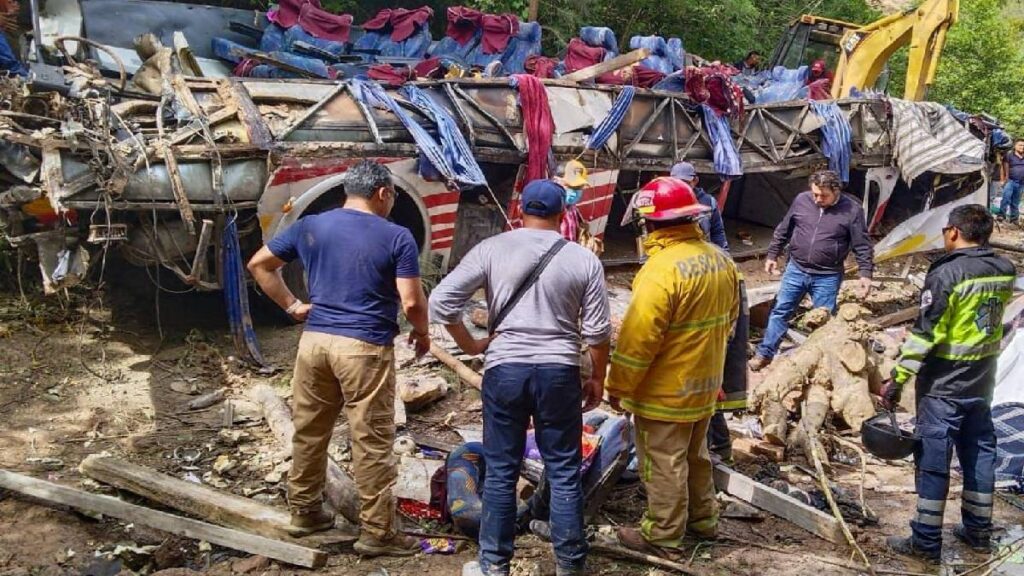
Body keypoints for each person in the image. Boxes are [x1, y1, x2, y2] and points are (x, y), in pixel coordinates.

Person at [429, 179, 612, 576]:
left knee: (500, 469)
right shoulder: (583, 259)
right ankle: (570, 565)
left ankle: (494, 565)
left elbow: (441, 301)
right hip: (559, 372)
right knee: (563, 471)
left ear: (520, 211)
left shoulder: (492, 248)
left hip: (505, 370)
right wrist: (597, 377)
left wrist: (473, 344)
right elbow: (598, 332)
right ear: (563, 214)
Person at [247, 160, 429, 556]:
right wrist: (423, 332)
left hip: (314, 344)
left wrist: (293, 305)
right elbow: (412, 300)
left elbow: (259, 265)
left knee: (310, 431)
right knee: (372, 440)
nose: (392, 202)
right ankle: (378, 533)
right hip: (363, 347)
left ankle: (305, 512)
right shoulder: (397, 236)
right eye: (393, 196)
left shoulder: (310, 225)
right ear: (383, 193)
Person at [607, 177, 739, 555]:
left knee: (663, 463)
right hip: (703, 386)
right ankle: (703, 520)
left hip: (665, 392)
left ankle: (662, 535)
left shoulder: (661, 271)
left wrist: (619, 387)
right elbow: (728, 324)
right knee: (696, 456)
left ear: (649, 222)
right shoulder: (720, 259)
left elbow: (637, 342)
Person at [882, 204, 1015, 561]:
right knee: (979, 455)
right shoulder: (1004, 269)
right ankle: (978, 533)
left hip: (944, 385)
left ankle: (925, 543)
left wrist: (896, 380)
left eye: (944, 231)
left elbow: (925, 334)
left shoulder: (947, 274)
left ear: (954, 232)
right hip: (982, 381)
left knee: (934, 461)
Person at [749, 170, 874, 372]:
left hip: (828, 276)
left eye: (823, 195)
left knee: (823, 321)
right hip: (796, 269)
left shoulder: (852, 210)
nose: (817, 199)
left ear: (836, 191)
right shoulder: (802, 200)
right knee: (780, 311)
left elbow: (862, 244)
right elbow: (784, 228)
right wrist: (773, 255)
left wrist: (866, 274)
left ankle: (819, 365)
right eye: (815, 194)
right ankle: (764, 354)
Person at [669, 162, 748, 463]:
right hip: (699, 308)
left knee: (707, 386)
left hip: (704, 314)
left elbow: (720, 240)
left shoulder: (707, 204)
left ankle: (716, 445)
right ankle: (710, 445)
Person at [996, 138, 1024, 224]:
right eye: (1020, 145)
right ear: (1015, 146)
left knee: (1016, 201)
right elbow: (1003, 168)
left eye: (1023, 145)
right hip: (1010, 181)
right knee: (1006, 198)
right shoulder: (1009, 155)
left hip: (1021, 182)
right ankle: (1001, 215)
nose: (1022, 147)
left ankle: (1014, 219)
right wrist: (1003, 179)